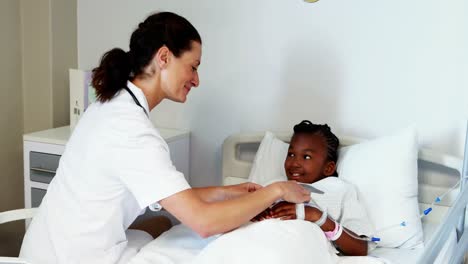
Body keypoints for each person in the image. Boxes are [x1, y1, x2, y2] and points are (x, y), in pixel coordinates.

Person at [19, 12, 310, 264]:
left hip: (48, 246)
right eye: (193, 66)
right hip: (74, 258)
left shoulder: (111, 105)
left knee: (159, 223)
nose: (196, 79)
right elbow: (204, 223)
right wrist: (276, 191)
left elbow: (171, 197)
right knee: (187, 239)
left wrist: (228, 192)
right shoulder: (132, 130)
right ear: (164, 57)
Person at [254, 120, 373, 256]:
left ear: (328, 168)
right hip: (256, 242)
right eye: (291, 154)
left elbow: (360, 248)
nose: (294, 163)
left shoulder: (339, 189)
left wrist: (316, 216)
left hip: (294, 249)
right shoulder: (273, 184)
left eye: (306, 157)